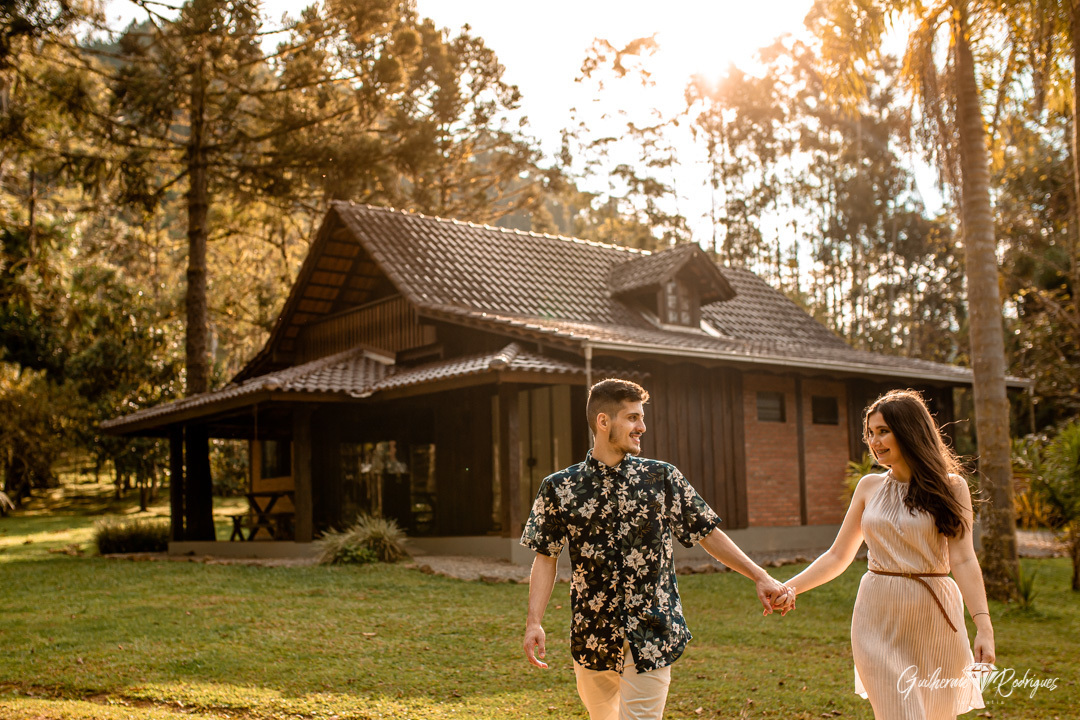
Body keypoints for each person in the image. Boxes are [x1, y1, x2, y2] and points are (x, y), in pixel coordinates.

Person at [520, 378, 790, 720]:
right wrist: (534, 622)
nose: (642, 427)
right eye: (632, 418)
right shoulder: (559, 487)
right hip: (592, 636)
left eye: (642, 418)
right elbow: (546, 557)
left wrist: (760, 575)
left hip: (652, 633)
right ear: (603, 421)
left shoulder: (661, 478)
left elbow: (708, 533)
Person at [781, 389, 995, 719]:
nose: (874, 441)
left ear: (909, 431)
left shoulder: (952, 488)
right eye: (870, 433)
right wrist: (790, 588)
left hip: (936, 618)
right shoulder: (869, 487)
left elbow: (964, 559)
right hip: (876, 616)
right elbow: (838, 555)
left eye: (883, 431)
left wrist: (984, 626)